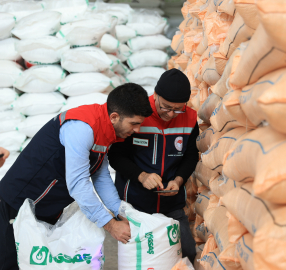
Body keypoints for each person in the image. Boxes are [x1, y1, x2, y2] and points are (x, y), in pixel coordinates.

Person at [0, 83, 153, 270]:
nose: (137, 130)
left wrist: (120, 212)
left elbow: (100, 176)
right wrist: (110, 224)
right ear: (114, 117)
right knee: (11, 263)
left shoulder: (105, 131)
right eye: (134, 123)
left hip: (45, 208)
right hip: (14, 205)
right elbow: (79, 183)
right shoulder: (82, 128)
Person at [108, 69, 199, 263]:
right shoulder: (137, 114)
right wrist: (141, 176)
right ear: (155, 95)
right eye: (166, 107)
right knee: (140, 259)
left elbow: (191, 155)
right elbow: (115, 156)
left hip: (171, 204)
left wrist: (178, 180)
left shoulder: (190, 119)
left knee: (187, 252)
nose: (171, 114)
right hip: (135, 204)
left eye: (178, 109)